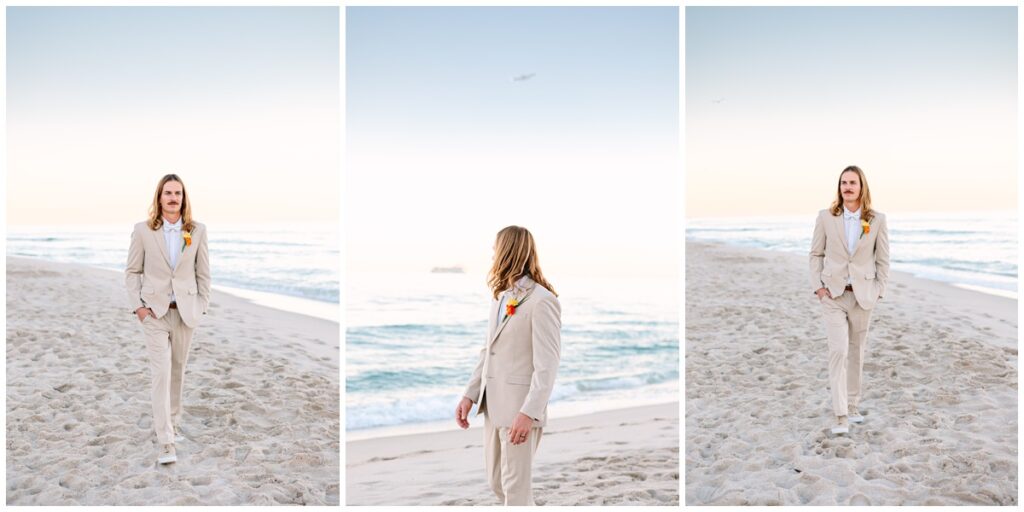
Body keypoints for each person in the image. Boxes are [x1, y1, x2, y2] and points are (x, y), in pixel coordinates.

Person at [455, 226, 561, 505]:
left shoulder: (542, 301)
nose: (492, 254)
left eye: (495, 248)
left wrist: (529, 412)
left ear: (507, 252)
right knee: (497, 483)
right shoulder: (501, 297)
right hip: (493, 405)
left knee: (515, 490)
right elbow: (488, 351)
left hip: (520, 409)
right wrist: (470, 394)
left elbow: (547, 366)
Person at [125, 174, 210, 464]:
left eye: (178, 193)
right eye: (168, 193)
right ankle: (165, 441)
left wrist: (201, 306)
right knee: (161, 373)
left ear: (183, 198)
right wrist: (138, 307)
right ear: (159, 197)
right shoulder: (143, 230)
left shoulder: (197, 231)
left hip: (185, 313)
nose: (173, 198)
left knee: (178, 371)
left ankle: (172, 423)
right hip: (155, 313)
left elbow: (203, 274)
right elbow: (132, 271)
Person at [809, 165, 889, 435]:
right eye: (843, 182)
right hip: (833, 294)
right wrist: (818, 288)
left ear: (861, 187)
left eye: (852, 182)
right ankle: (841, 415)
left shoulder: (877, 220)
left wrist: (879, 289)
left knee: (857, 352)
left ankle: (853, 406)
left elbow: (883, 259)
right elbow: (815, 255)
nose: (847, 187)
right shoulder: (826, 217)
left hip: (863, 296)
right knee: (839, 351)